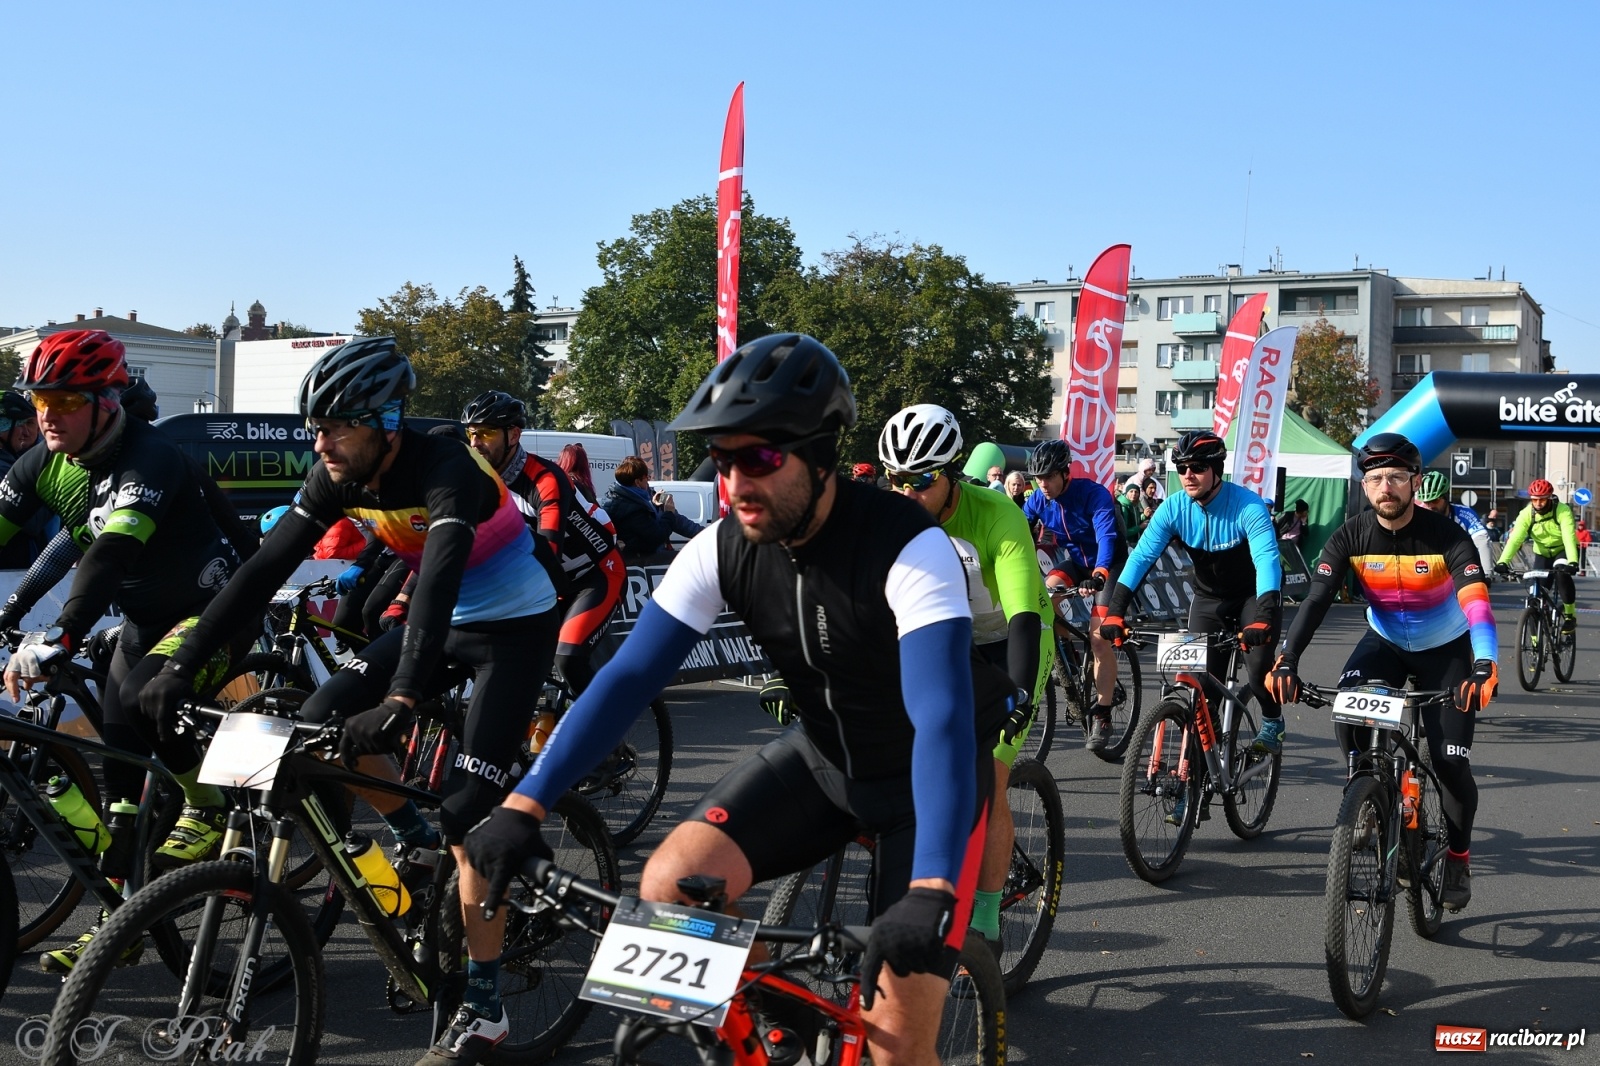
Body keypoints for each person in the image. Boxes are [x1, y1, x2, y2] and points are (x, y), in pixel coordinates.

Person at [465, 333, 1014, 1066]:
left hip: (925, 784)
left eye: (757, 458)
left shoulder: (908, 547)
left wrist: (934, 886)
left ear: (820, 455)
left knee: (894, 1047)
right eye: (722, 461)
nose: (734, 483)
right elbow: (628, 678)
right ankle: (768, 1025)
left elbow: (940, 719)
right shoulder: (722, 547)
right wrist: (524, 806)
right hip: (824, 763)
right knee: (666, 888)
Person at [140, 338, 563, 1064]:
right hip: (436, 622)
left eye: (337, 426)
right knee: (315, 723)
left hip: (511, 628)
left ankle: (486, 1009)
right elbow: (262, 570)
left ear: (387, 420)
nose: (320, 441)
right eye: (315, 425)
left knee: (468, 813)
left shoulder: (448, 467)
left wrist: (402, 696)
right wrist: (185, 662)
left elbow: (435, 582)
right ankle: (416, 842)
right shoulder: (335, 472)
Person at [0, 331, 252, 971]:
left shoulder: (150, 457)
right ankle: (125, 924)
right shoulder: (45, 461)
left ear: (105, 400)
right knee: (120, 781)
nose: (47, 416)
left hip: (213, 609)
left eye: (63, 400)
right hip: (143, 622)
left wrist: (62, 633)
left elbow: (111, 553)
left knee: (146, 699)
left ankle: (208, 802)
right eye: (38, 402)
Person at [1267, 432, 1497, 912]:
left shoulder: (1447, 537)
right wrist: (1287, 659)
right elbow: (1314, 601)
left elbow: (1476, 605)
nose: (1385, 487)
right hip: (1386, 642)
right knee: (1348, 714)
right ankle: (1367, 793)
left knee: (1451, 763)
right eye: (1375, 479)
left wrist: (1484, 663)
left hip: (1447, 650)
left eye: (1395, 477)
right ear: (1365, 487)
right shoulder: (1350, 535)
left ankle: (1457, 855)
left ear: (1414, 482)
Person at [878, 403, 1054, 950]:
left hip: (1012, 639)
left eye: (922, 480)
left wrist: (1020, 693)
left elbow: (1024, 614)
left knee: (990, 777)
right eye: (896, 481)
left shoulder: (996, 515)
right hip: (949, 638)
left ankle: (984, 919)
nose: (907, 494)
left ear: (951, 474)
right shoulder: (894, 518)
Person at [1100, 432, 1285, 773]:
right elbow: (1140, 559)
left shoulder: (1248, 505)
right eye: (1181, 467)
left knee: (1259, 669)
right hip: (1208, 599)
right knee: (1202, 692)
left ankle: (1272, 721)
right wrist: (1115, 612)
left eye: (1197, 467)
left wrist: (1263, 616)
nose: (1188, 475)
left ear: (1217, 470)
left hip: (1251, 597)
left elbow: (1266, 562)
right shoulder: (1174, 508)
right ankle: (1194, 778)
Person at [460, 390, 625, 696]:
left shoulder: (546, 479)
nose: (475, 442)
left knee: (568, 658)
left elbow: (546, 553)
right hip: (550, 586)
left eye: (485, 432)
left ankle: (605, 736)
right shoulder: (479, 480)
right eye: (470, 433)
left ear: (514, 435)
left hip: (595, 577)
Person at [1021, 439, 1125, 750]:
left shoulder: (1092, 494)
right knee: (1048, 593)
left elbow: (1107, 536)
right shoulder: (1039, 500)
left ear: (1066, 473)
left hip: (1112, 565)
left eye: (1049, 477)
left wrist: (1100, 573)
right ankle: (1069, 656)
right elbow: (1017, 528)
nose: (1043, 485)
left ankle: (1103, 714)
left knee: (1098, 639)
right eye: (1038, 478)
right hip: (1078, 562)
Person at [1495, 480, 1580, 632]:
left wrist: (1573, 561)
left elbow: (1568, 537)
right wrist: (1503, 562)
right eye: (1534, 499)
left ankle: (1569, 615)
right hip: (1542, 552)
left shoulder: (1562, 510)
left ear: (1549, 498)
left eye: (1542, 499)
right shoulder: (1527, 514)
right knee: (1536, 596)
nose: (1538, 503)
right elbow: (1515, 539)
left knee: (1561, 573)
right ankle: (1535, 640)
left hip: (1562, 550)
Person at [604, 454, 702, 559]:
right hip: (640, 561)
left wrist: (654, 506)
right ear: (637, 482)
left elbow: (678, 522)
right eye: (647, 478)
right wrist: (668, 512)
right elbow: (657, 536)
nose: (648, 482)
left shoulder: (627, 496)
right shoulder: (630, 508)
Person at [1416, 471, 1496, 577]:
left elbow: (1483, 541)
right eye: (1426, 502)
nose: (1430, 506)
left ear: (1446, 497)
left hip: (1459, 567)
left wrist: (1487, 575)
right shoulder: (1418, 513)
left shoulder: (1464, 513)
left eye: (1435, 501)